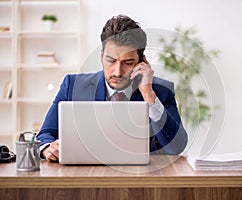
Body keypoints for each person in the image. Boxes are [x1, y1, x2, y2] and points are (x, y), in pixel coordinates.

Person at [37, 14, 188, 162]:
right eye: (111, 60)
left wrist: (148, 94)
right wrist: (48, 149)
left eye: (128, 62)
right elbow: (45, 134)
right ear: (101, 55)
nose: (117, 72)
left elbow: (176, 147)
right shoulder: (72, 85)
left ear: (141, 61)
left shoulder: (161, 91)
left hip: (140, 179)